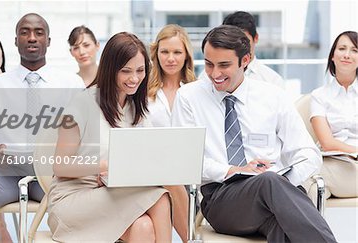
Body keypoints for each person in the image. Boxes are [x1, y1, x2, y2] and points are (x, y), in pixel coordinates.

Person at [172, 25, 336, 242]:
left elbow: (309, 153)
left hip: (275, 194)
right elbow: (185, 161)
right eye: (209, 64)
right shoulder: (188, 97)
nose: (214, 74)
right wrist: (233, 170)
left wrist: (283, 179)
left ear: (246, 60)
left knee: (281, 223)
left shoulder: (273, 96)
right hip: (221, 199)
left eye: (224, 65)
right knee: (270, 184)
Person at [48, 32, 172, 242]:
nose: (134, 78)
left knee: (143, 226)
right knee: (160, 198)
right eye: (126, 71)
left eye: (140, 70)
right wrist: (104, 166)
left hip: (114, 192)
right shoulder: (82, 103)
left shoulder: (137, 109)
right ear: (110, 70)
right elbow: (60, 166)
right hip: (74, 199)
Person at [0, 13, 84, 243]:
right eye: (24, 32)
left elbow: (82, 135)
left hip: (53, 175)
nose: (31, 38)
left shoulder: (70, 83)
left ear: (48, 41)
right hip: (7, 174)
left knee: (74, 210)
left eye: (39, 33)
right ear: (16, 40)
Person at [147, 24, 196, 242]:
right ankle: (191, 239)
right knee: (170, 177)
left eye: (177, 52)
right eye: (165, 52)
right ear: (156, 54)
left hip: (188, 164)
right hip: (150, 164)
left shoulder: (197, 91)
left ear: (186, 55)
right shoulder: (143, 90)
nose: (170, 58)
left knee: (173, 177)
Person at [309, 31, 358, 198]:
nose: (347, 55)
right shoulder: (319, 95)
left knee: (305, 176)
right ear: (332, 56)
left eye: (354, 50)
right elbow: (327, 142)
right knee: (313, 188)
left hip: (355, 167)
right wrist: (355, 150)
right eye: (342, 48)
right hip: (332, 161)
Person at [200, 11, 285, 89]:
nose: (237, 48)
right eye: (230, 42)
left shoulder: (272, 81)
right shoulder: (205, 78)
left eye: (243, 41)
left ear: (256, 38)